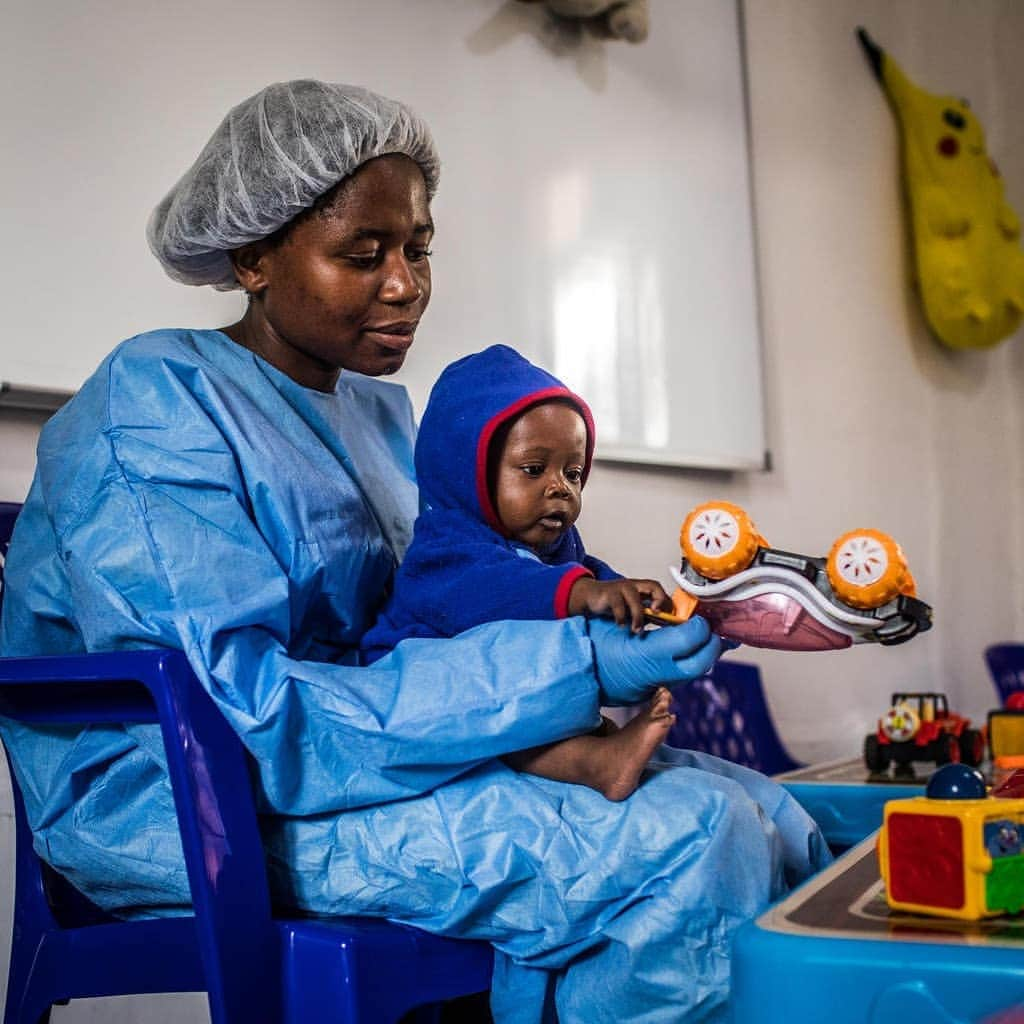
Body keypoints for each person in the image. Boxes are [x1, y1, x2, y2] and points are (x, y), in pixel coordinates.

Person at [0, 79, 830, 1024]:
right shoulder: (153, 404)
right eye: (365, 253)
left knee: (779, 820)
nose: (406, 284)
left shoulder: (381, 416)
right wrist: (572, 660)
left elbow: (442, 611)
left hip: (367, 761)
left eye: (418, 247)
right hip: (189, 802)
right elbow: (248, 714)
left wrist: (665, 620)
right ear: (252, 257)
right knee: (695, 840)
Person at [362, 343, 682, 802]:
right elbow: (499, 591)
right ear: (467, 473)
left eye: (573, 473)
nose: (560, 487)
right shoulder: (446, 547)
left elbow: (585, 574)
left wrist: (640, 603)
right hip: (418, 697)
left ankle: (600, 746)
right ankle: (596, 764)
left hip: (501, 690)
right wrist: (585, 593)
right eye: (534, 470)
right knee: (507, 736)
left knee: (560, 718)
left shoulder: (552, 542)